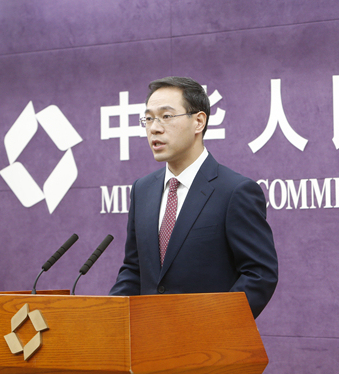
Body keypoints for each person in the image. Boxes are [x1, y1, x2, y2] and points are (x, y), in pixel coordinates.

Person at [109, 76, 278, 318]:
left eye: (166, 116)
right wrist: (109, 318)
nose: (154, 128)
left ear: (198, 121)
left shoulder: (235, 190)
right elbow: (134, 269)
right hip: (149, 345)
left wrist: (212, 327)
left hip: (207, 345)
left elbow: (259, 274)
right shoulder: (142, 189)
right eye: (148, 118)